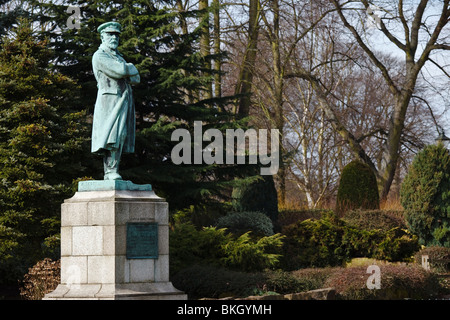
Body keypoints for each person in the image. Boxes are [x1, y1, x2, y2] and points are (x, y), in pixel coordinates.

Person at [91, 21, 140, 180]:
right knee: (112, 137)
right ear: (102, 36)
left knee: (121, 135)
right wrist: (130, 67)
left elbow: (136, 78)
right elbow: (119, 71)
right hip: (109, 102)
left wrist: (128, 69)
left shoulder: (118, 57)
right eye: (110, 34)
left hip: (122, 100)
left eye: (116, 35)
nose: (114, 37)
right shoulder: (100, 55)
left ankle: (113, 170)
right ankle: (110, 171)